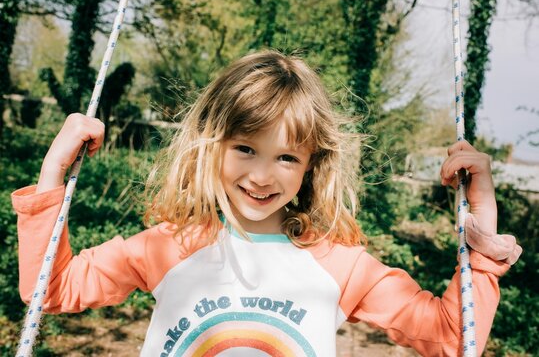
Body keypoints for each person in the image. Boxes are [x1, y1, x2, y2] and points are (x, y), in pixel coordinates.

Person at [13, 51, 522, 356]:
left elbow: (457, 340)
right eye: (245, 149)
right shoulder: (171, 246)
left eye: (285, 157)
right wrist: (53, 173)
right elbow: (49, 291)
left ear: (309, 166)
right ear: (211, 144)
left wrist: (482, 218)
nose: (261, 175)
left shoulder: (339, 267)